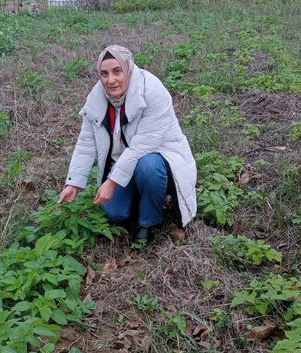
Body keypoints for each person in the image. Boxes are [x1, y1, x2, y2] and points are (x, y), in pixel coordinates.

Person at [58, 45, 198, 243]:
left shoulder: (152, 91)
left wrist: (111, 182)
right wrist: (73, 183)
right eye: (104, 74)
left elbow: (142, 146)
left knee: (148, 166)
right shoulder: (96, 98)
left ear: (128, 69)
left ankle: (148, 223)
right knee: (113, 213)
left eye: (117, 71)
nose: (110, 80)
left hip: (160, 160)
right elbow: (86, 143)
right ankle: (141, 198)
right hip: (124, 165)